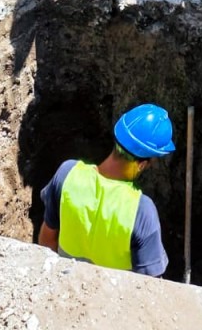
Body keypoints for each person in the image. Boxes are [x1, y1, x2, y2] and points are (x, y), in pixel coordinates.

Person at [39, 103, 175, 276]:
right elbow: (150, 283)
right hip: (112, 291)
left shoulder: (67, 174)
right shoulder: (142, 211)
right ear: (141, 165)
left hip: (65, 280)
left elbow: (47, 239)